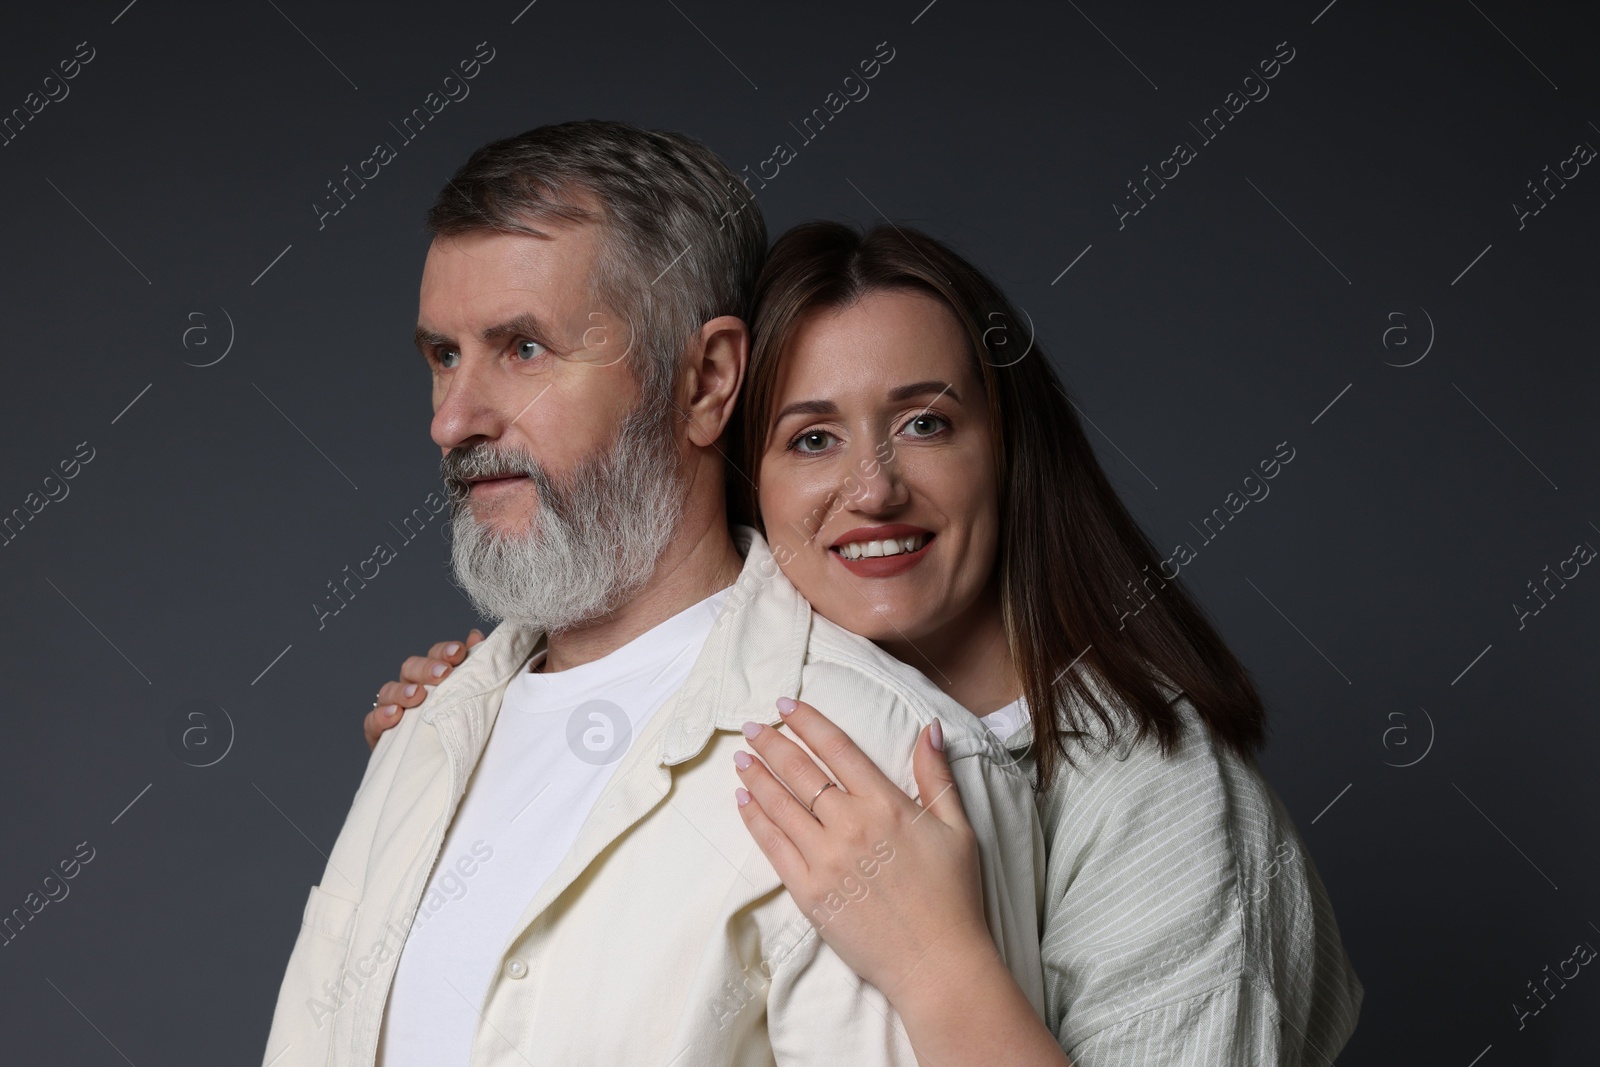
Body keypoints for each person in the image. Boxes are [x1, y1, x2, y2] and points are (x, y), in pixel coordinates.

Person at [367, 220, 1366, 1063]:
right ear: (745, 475)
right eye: (811, 438)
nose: (874, 486)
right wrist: (488, 752)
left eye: (925, 423)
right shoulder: (761, 723)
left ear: (1009, 451)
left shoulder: (1155, 789)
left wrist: (940, 961)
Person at [260, 121, 1052, 1067]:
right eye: (443, 355)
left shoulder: (881, 762)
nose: (452, 419)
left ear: (706, 380)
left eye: (523, 349)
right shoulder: (424, 734)